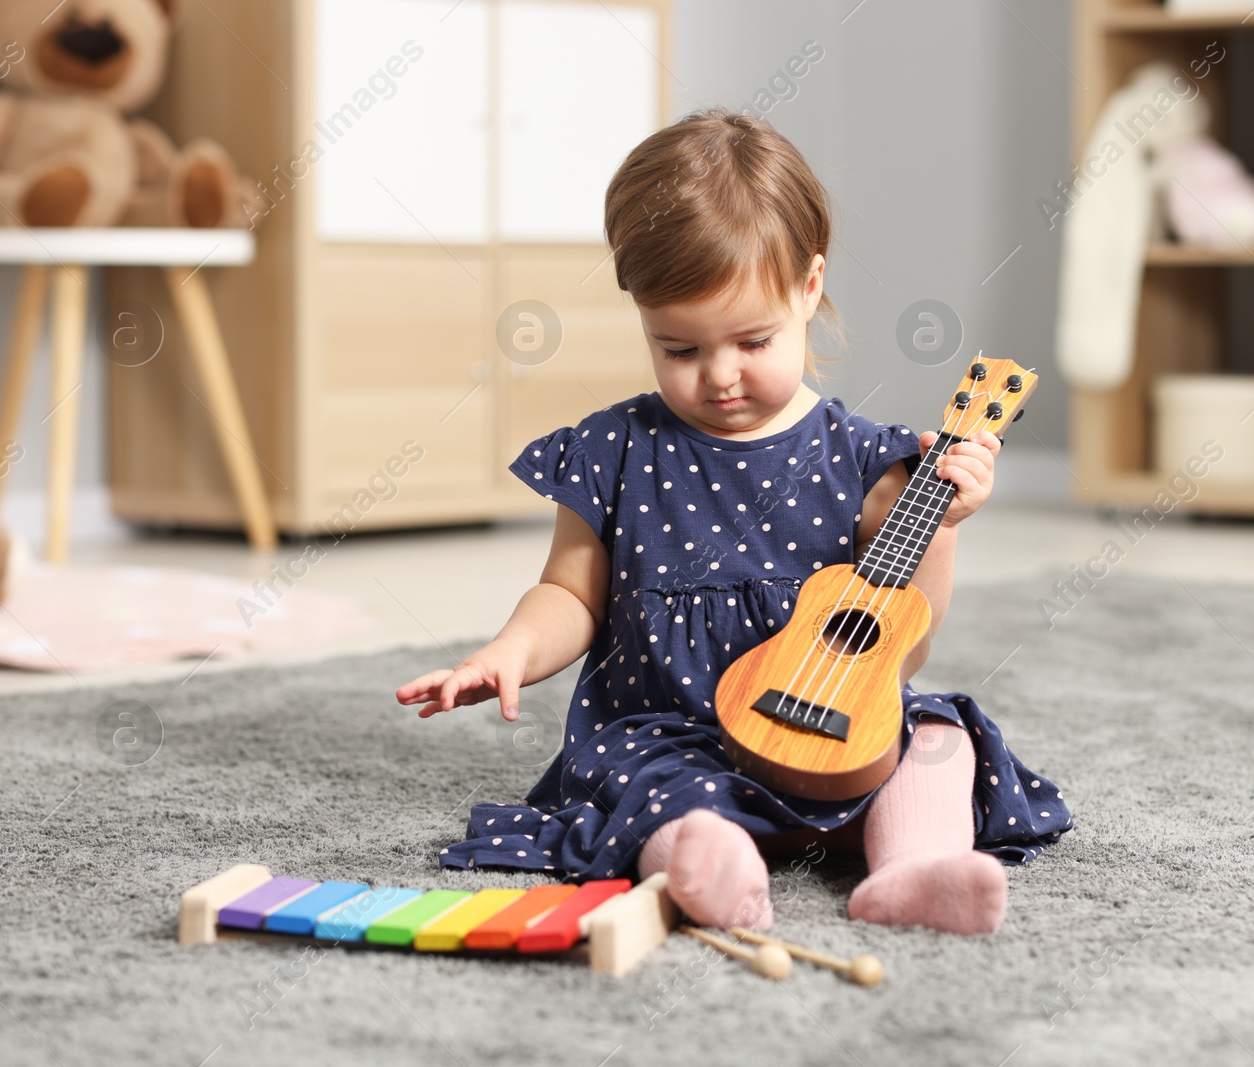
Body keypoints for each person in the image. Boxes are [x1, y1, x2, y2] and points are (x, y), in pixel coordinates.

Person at [395, 106, 1071, 935]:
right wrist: (508, 651)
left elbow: (901, 638)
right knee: (650, 791)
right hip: (677, 734)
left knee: (937, 738)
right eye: (678, 349)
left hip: (836, 736)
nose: (718, 376)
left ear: (810, 287)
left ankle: (915, 867)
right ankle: (711, 863)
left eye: (753, 341)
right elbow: (568, 594)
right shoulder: (614, 449)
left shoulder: (866, 461)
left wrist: (945, 525)